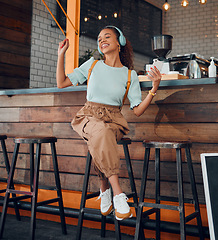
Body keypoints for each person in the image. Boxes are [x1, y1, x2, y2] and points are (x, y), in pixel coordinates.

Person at [56, 26, 161, 220]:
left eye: (107, 36)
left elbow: (137, 110)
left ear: (120, 42)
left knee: (102, 137)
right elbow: (61, 83)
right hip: (88, 116)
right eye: (99, 38)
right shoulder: (92, 65)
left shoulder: (130, 76)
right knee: (102, 133)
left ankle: (104, 189)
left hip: (114, 120)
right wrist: (61, 54)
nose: (101, 40)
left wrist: (154, 89)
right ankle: (118, 193)